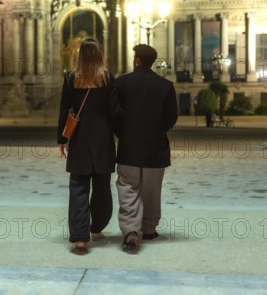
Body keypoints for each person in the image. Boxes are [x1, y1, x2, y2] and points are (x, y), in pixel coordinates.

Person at [57, 38, 120, 255]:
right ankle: (96, 228)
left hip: (80, 140)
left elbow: (65, 110)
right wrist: (123, 135)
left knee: (78, 189)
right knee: (102, 189)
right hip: (103, 142)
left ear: (80, 55)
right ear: (100, 55)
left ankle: (80, 238)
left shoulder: (71, 78)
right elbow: (114, 113)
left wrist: (62, 139)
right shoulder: (108, 78)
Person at [115, 44, 178, 252]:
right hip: (156, 149)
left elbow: (114, 115)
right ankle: (149, 229)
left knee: (128, 189)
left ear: (137, 60)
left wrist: (123, 133)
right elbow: (172, 118)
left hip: (129, 149)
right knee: (152, 191)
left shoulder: (122, 84)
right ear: (152, 62)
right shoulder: (166, 86)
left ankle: (131, 231)